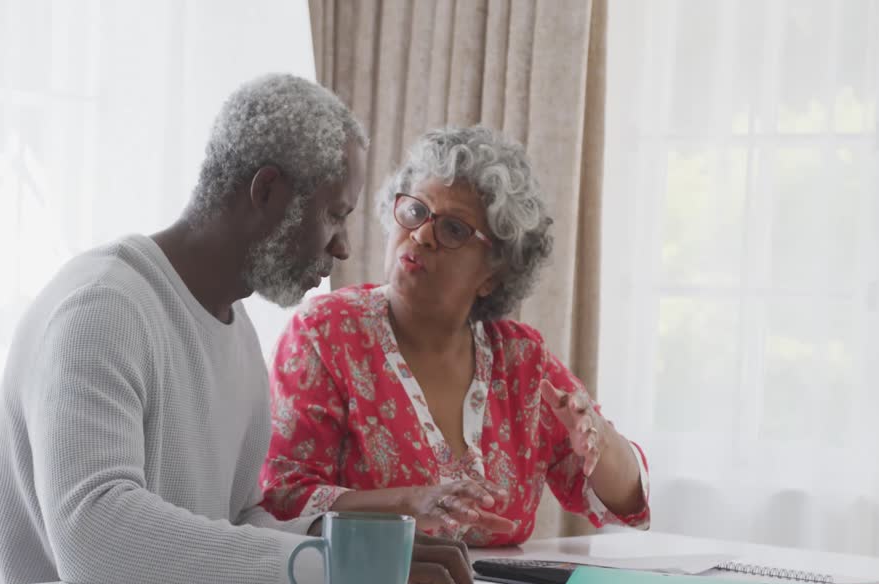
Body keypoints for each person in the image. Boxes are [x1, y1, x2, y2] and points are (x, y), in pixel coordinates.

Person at [0, 75, 475, 584]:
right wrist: (322, 563)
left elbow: (232, 522)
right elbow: (93, 531)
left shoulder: (236, 335)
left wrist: (338, 541)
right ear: (267, 192)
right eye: (334, 214)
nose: (343, 245)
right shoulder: (103, 306)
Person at [259, 126, 651, 547]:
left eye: (453, 230)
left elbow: (627, 506)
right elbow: (284, 498)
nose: (422, 235)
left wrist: (600, 437)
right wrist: (409, 505)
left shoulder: (520, 358)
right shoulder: (326, 333)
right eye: (415, 212)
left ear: (494, 272)